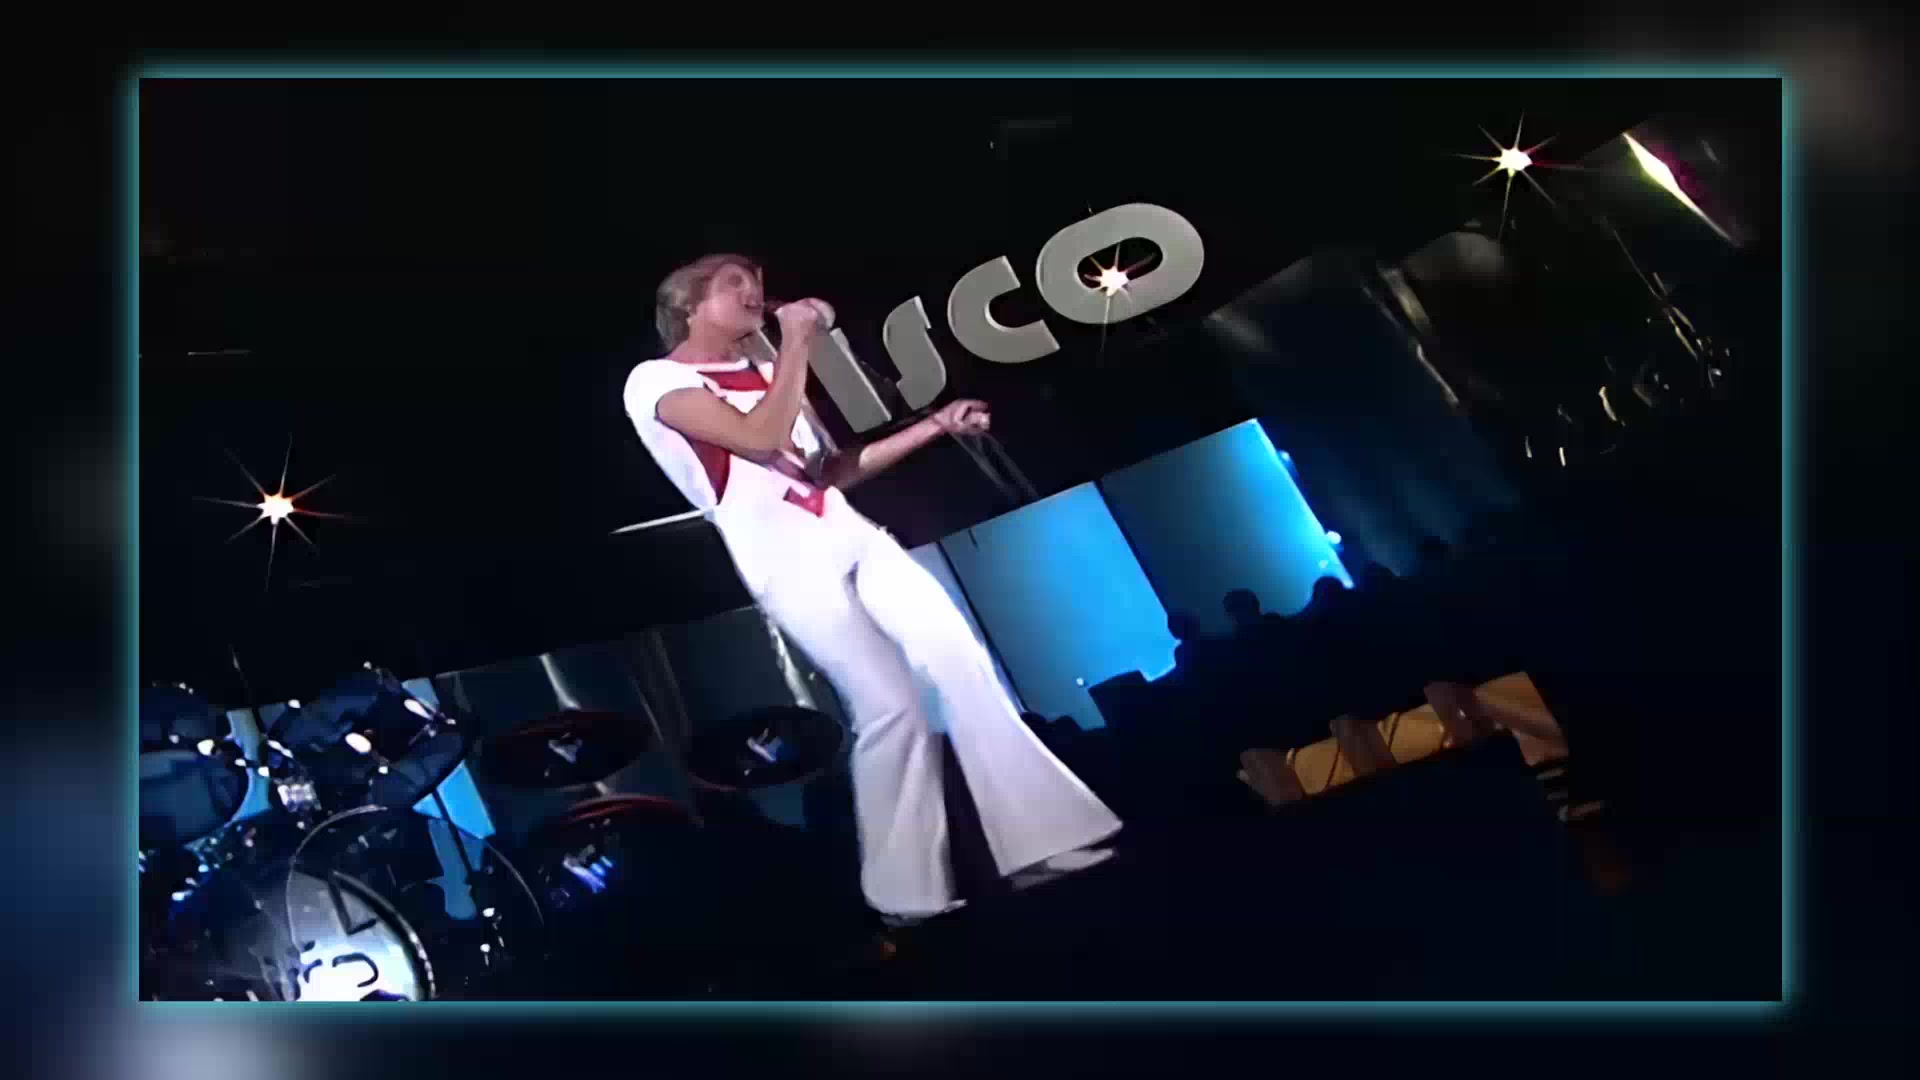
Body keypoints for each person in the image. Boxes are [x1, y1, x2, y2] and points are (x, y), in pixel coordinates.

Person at [623, 254, 1121, 926]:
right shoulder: (656, 381)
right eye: (734, 282)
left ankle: (1046, 841)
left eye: (758, 280)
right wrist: (796, 344)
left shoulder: (772, 372)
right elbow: (758, 439)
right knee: (892, 707)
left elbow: (828, 470)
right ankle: (904, 893)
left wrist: (935, 426)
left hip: (849, 533)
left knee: (961, 660)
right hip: (782, 556)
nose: (755, 291)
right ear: (688, 303)